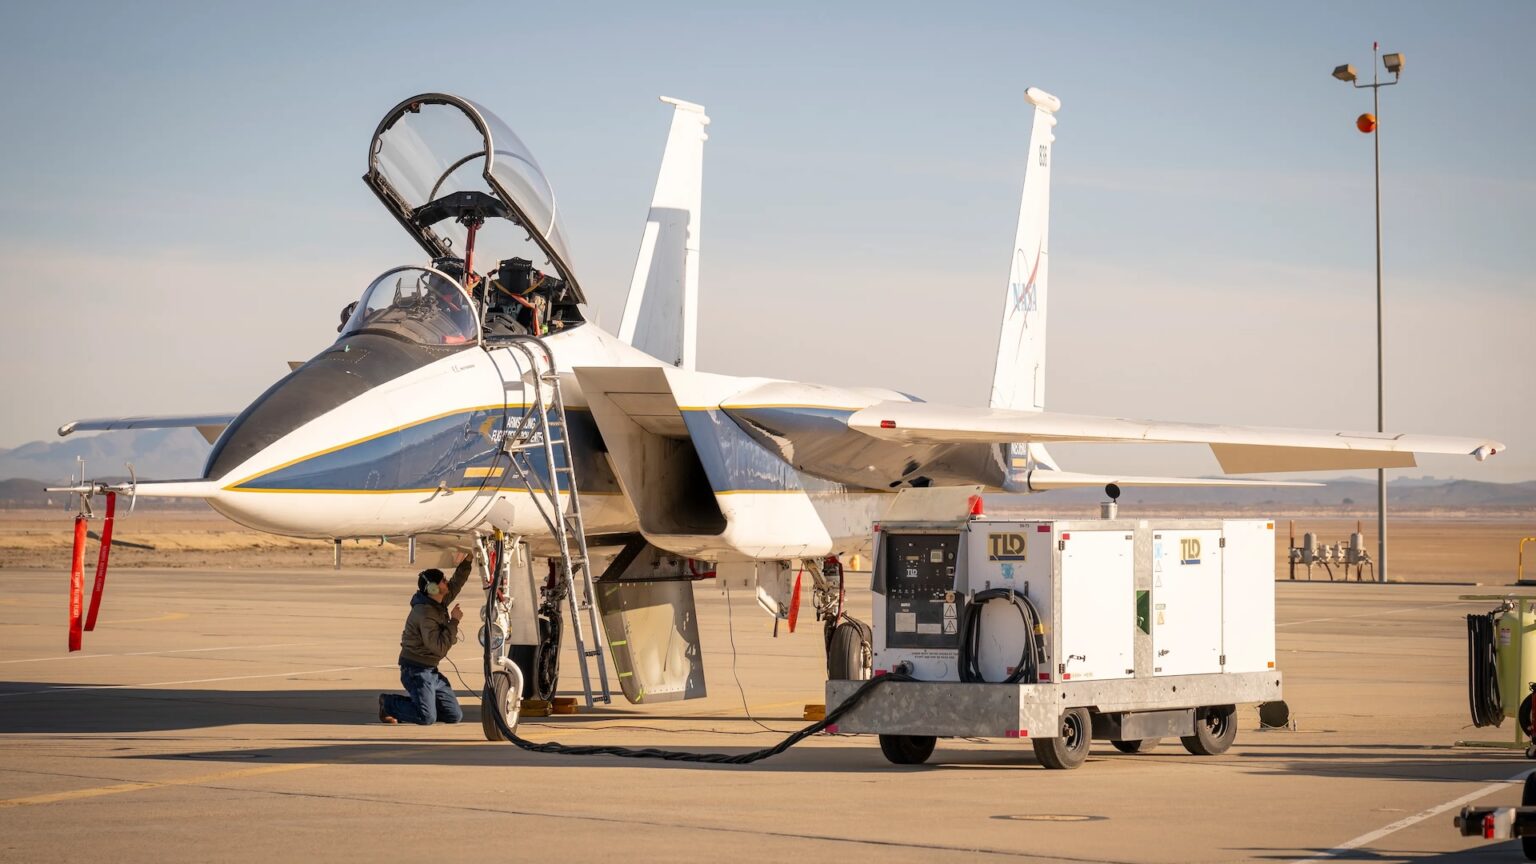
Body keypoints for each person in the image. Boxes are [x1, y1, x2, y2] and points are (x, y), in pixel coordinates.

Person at [378, 558, 472, 725]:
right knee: (426, 718)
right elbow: (439, 648)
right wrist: (454, 621)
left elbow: (456, 583)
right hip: (416, 670)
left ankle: (425, 703)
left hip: (430, 670)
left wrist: (468, 560)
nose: (447, 582)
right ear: (433, 588)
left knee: (453, 716)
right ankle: (388, 703)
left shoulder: (436, 601)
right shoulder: (425, 613)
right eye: (443, 581)